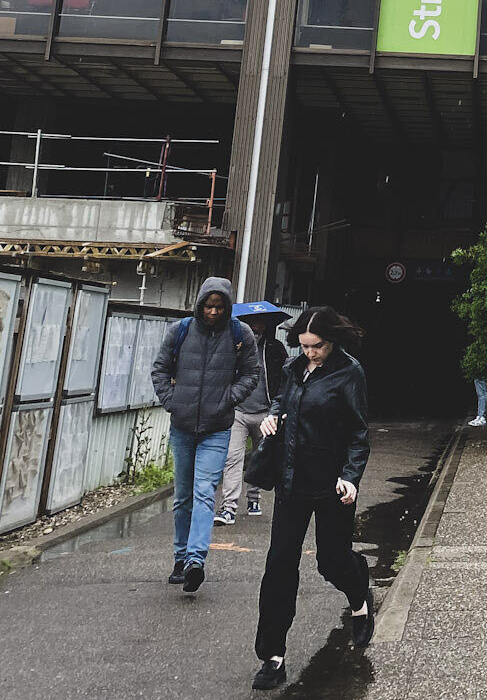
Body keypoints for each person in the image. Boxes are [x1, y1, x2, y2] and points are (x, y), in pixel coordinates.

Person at [250, 306, 372, 690]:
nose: (310, 353)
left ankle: (359, 597)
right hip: (291, 482)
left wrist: (350, 478)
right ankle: (273, 655)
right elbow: (282, 403)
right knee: (279, 566)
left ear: (331, 340)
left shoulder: (349, 373)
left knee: (332, 562)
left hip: (331, 484)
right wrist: (272, 417)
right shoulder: (292, 369)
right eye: (304, 347)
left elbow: (358, 433)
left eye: (316, 347)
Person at [151, 276, 262, 594]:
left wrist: (229, 398)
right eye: (208, 306)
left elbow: (251, 373)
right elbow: (160, 369)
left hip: (217, 427)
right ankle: (180, 557)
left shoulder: (240, 334)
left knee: (204, 493)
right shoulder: (181, 330)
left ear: (228, 306)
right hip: (182, 426)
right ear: (200, 304)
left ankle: (195, 561)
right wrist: (172, 401)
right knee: (183, 496)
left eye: (219, 306)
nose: (213, 312)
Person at [217, 302, 289, 525]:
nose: (256, 327)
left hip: (266, 414)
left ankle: (254, 499)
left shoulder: (276, 349)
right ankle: (228, 508)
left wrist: (279, 410)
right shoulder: (232, 348)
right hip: (238, 412)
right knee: (232, 459)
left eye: (260, 323)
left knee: (260, 459)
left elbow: (286, 380)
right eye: (251, 323)